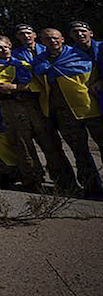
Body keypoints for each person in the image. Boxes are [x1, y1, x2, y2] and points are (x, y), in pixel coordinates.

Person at [0, 35, 72, 191]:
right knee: (23, 147)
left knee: (50, 143)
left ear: (10, 46)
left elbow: (37, 83)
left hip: (34, 105)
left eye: (5, 46)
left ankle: (65, 182)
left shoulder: (23, 62)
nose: (3, 50)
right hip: (11, 108)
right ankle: (33, 181)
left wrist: (17, 87)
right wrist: (20, 85)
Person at [34, 28, 103, 194]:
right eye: (48, 39)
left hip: (89, 108)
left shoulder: (81, 54)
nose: (52, 41)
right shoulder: (38, 62)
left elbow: (96, 74)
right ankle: (92, 187)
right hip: (64, 113)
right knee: (80, 152)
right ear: (42, 42)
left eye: (55, 38)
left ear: (63, 39)